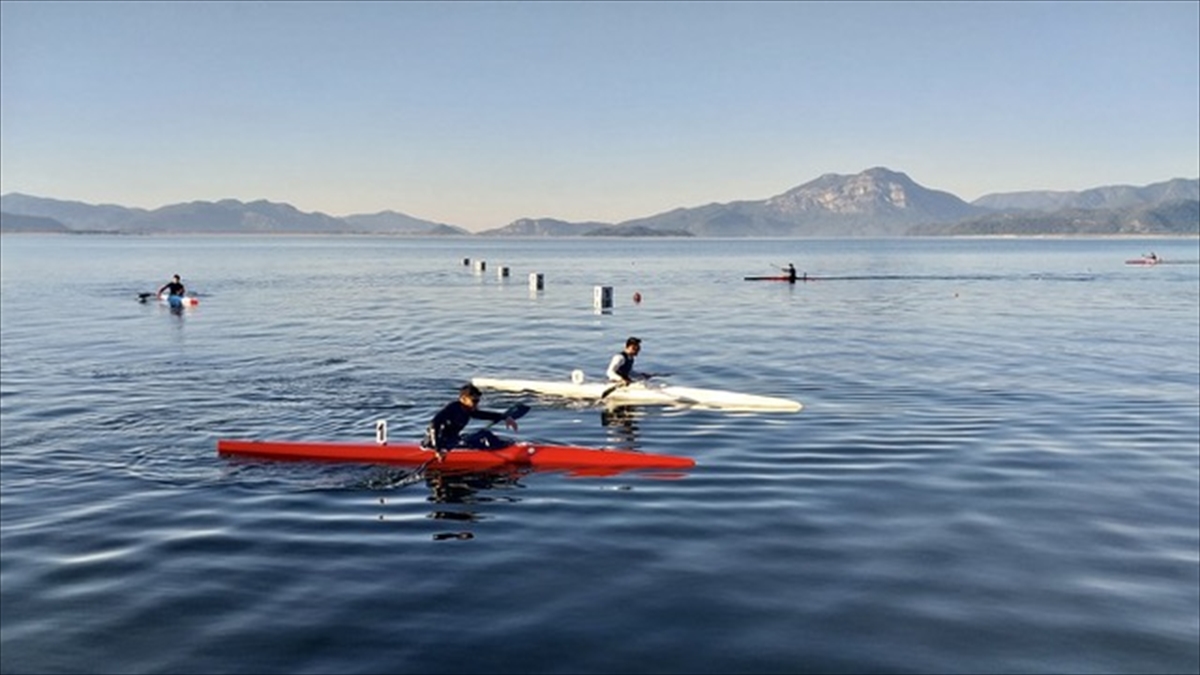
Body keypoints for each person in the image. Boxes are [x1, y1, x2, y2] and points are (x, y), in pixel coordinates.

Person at [421, 384, 519, 460]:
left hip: (452, 440)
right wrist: (438, 449)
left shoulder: (468, 409)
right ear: (463, 399)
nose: (476, 404)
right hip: (438, 444)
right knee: (483, 435)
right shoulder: (452, 408)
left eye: (478, 401)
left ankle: (506, 447)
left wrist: (505, 417)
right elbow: (434, 425)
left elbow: (483, 414)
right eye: (474, 401)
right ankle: (505, 452)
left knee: (484, 435)